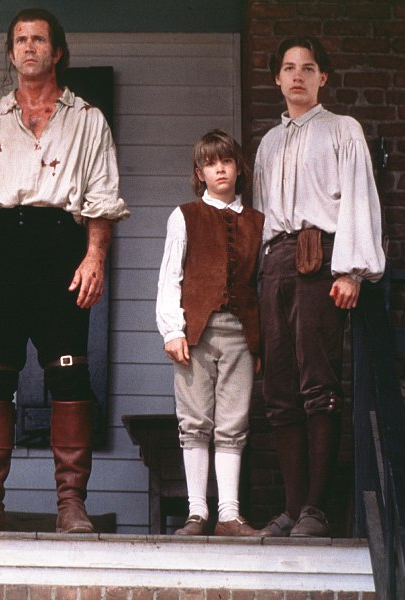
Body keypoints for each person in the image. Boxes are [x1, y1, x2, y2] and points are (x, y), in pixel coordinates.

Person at [0, 8, 129, 533]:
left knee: (69, 372)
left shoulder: (87, 119)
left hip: (61, 244)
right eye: (20, 40)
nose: (28, 48)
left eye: (39, 39)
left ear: (57, 51)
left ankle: (71, 504)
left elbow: (102, 197)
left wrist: (94, 256)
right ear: (11, 51)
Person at [254, 37, 384, 537]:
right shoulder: (269, 143)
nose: (298, 76)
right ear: (277, 78)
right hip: (276, 263)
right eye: (289, 68)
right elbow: (261, 217)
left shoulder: (342, 130)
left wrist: (351, 270)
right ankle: (292, 507)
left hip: (321, 258)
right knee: (279, 387)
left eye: (308, 68)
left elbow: (358, 199)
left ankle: (316, 508)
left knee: (318, 381)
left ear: (323, 78)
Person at [156, 130, 265, 537]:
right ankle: (197, 513)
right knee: (195, 421)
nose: (220, 169)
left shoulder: (257, 222)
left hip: (241, 334)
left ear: (239, 168)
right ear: (199, 172)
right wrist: (172, 329)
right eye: (211, 163)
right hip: (195, 332)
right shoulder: (184, 216)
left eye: (227, 161)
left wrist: (259, 343)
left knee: (233, 423)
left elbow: (260, 285)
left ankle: (229, 514)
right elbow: (170, 276)